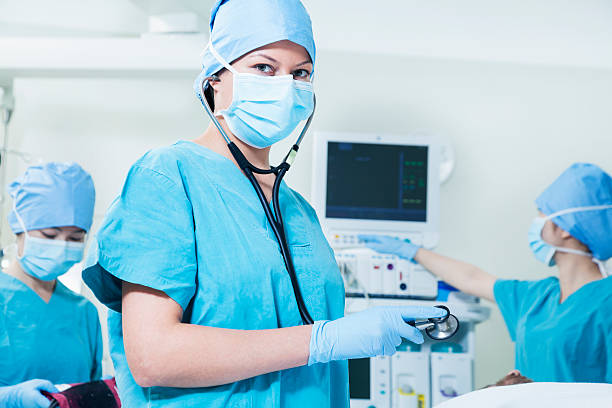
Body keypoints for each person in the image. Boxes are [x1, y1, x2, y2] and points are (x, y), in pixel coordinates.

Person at [82, 1, 443, 407]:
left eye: (301, 73)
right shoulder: (167, 177)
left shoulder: (298, 210)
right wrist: (324, 340)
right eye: (264, 68)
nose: (285, 85)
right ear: (215, 77)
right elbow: (154, 356)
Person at [361, 162, 612, 383]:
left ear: (565, 229)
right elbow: (471, 278)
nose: (535, 224)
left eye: (541, 217)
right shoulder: (538, 296)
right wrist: (411, 250)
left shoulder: (606, 302)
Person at [0, 162, 102, 408]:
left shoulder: (84, 312)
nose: (62, 245)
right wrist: (8, 397)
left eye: (75, 238)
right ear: (20, 226)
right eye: (49, 235)